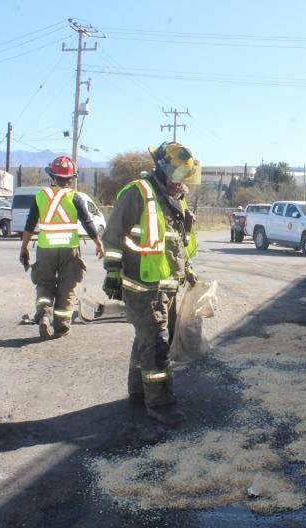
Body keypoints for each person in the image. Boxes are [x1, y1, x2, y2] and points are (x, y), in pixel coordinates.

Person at [101, 142, 199, 425]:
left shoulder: (176, 198)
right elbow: (113, 236)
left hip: (166, 286)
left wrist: (188, 269)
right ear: (161, 169)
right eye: (177, 174)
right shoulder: (138, 193)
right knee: (157, 343)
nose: (180, 181)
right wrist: (112, 271)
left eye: (185, 176)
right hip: (142, 286)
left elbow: (177, 243)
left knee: (145, 339)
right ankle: (161, 403)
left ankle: (138, 391)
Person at [19, 156, 104, 339]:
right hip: (69, 250)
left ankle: (43, 315)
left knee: (44, 284)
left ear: (52, 176)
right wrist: (98, 242)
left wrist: (24, 247)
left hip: (46, 249)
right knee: (67, 288)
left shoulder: (41, 196)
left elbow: (29, 224)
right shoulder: (75, 197)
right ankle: (62, 327)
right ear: (71, 178)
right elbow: (88, 222)